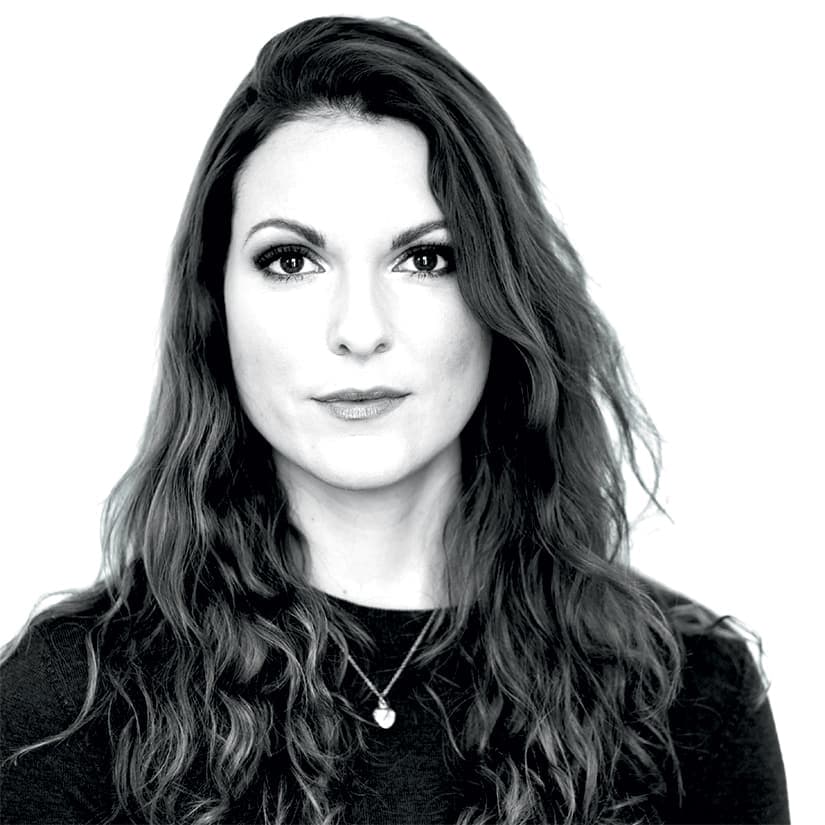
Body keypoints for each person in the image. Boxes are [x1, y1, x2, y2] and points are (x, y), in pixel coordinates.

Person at [0, 15, 788, 825]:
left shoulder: (688, 696)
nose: (359, 329)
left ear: (501, 295)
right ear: (215, 302)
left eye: (425, 258)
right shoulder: (63, 708)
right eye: (291, 260)